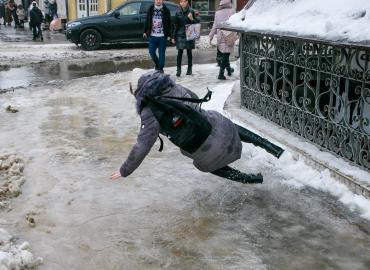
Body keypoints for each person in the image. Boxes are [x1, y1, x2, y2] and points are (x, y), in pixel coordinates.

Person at [110, 71, 284, 183]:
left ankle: (249, 179)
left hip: (200, 148)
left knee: (205, 163)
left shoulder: (148, 112)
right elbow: (194, 99)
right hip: (214, 127)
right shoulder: (173, 86)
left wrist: (124, 170)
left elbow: (143, 144)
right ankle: (273, 148)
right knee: (224, 124)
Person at [171, 0, 199, 77]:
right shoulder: (177, 12)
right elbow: (175, 26)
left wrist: (192, 18)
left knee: (189, 52)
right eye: (181, 2)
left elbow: (197, 23)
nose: (183, 3)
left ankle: (189, 69)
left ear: (187, 2)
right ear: (180, 3)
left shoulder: (191, 11)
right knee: (180, 52)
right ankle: (178, 70)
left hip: (189, 34)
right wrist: (173, 36)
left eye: (184, 1)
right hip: (180, 34)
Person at [209, 0, 235, 80]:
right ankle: (221, 74)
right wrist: (238, 34)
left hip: (220, 35)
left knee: (225, 54)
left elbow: (215, 25)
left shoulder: (217, 13)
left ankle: (229, 70)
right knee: (225, 54)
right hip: (229, 35)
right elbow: (235, 24)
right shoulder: (232, 11)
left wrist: (211, 36)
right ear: (229, 3)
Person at [143, 0, 171, 73]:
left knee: (162, 53)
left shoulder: (166, 10)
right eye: (157, 0)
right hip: (152, 35)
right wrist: (145, 31)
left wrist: (169, 34)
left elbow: (169, 23)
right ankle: (157, 64)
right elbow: (147, 20)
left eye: (160, 0)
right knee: (151, 51)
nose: (158, 1)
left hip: (162, 36)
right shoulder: (151, 9)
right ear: (154, 1)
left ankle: (160, 69)